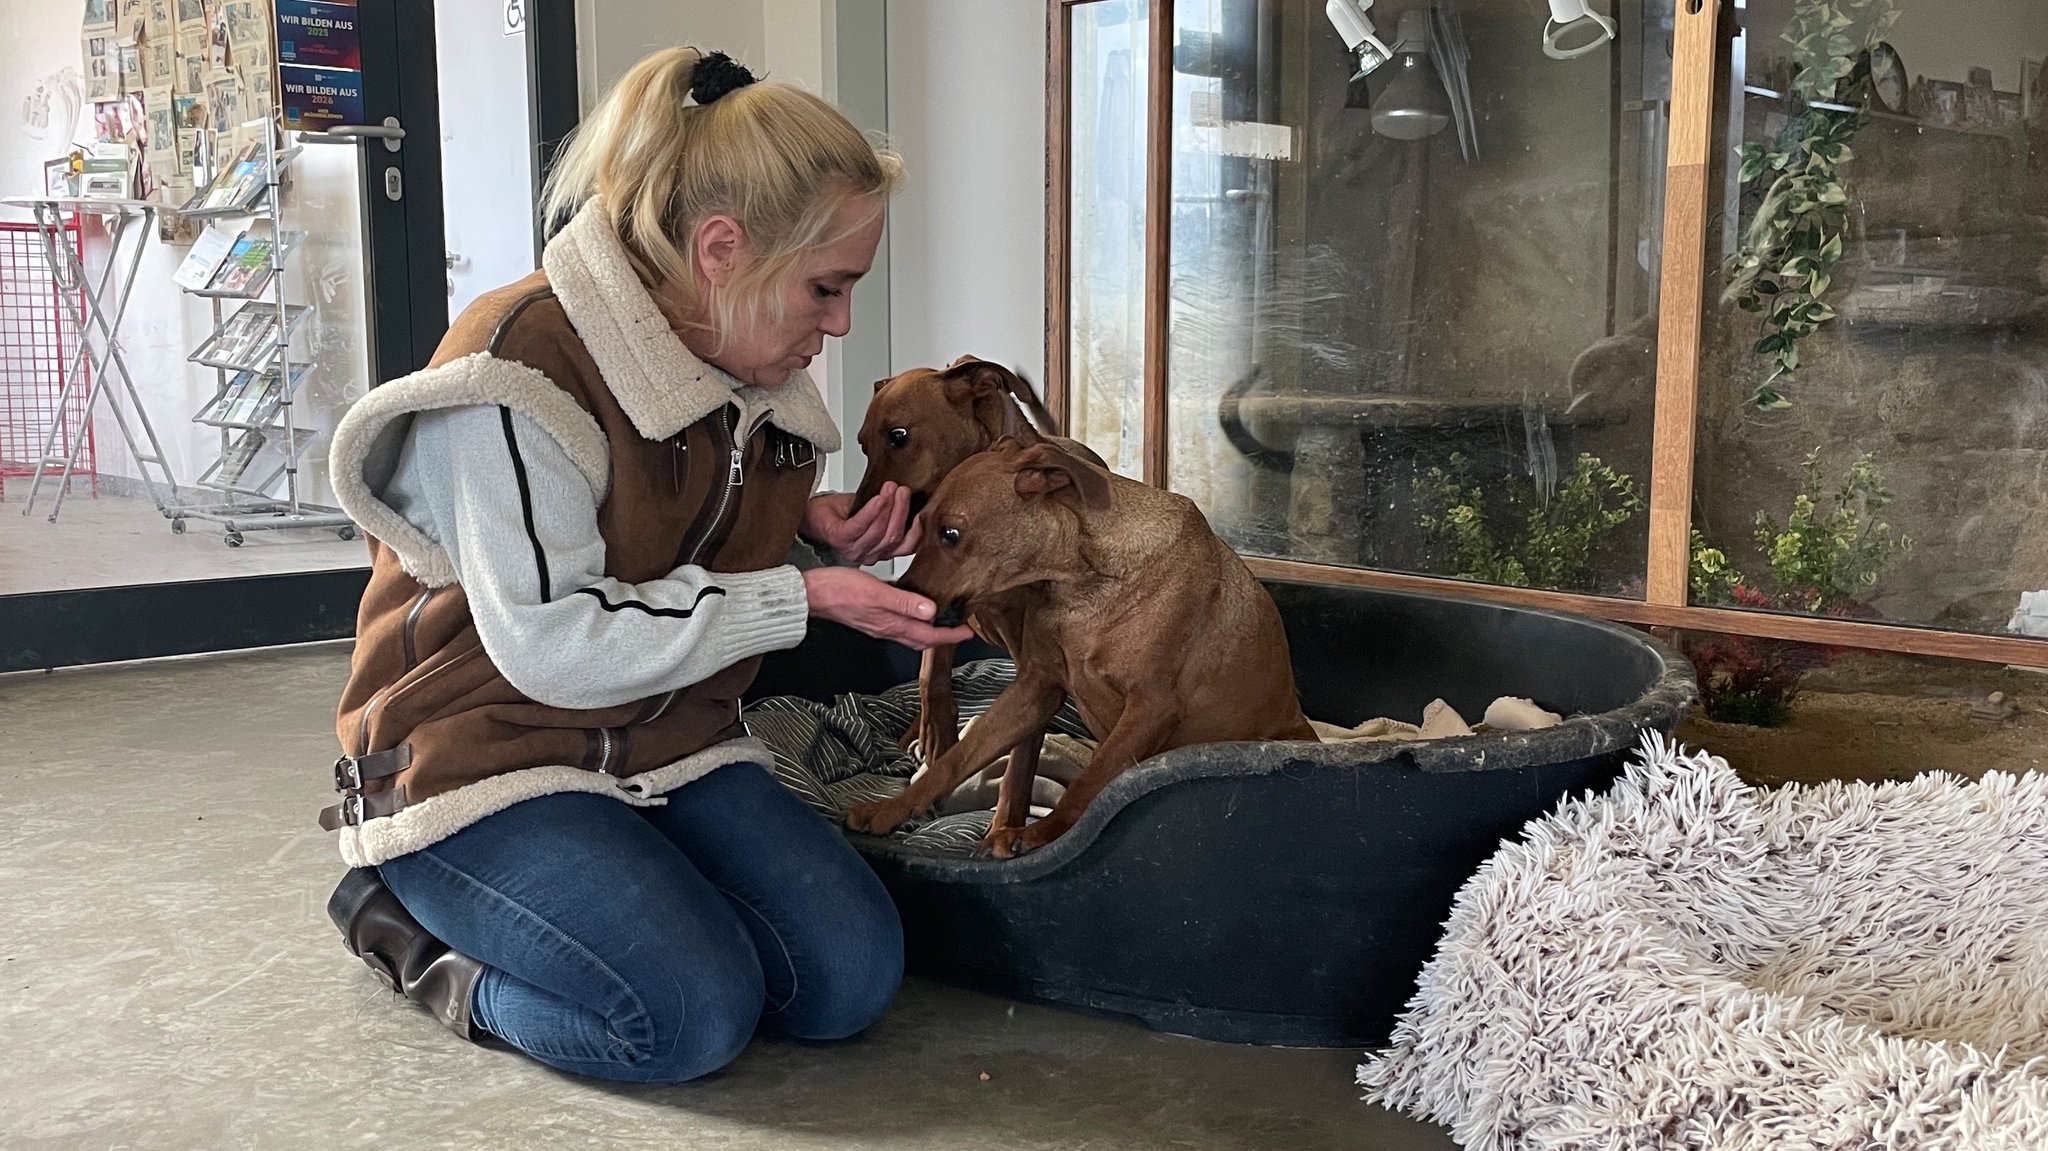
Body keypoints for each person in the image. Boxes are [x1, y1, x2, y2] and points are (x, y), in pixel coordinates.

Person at [318, 47, 973, 1084]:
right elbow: (554, 643)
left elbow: (661, 511)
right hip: (480, 759)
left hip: (671, 742)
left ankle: (618, 895)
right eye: (826, 287)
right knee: (680, 1020)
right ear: (721, 248)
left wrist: (804, 523)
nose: (838, 323)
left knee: (844, 982)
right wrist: (799, 593)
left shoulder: (738, 355)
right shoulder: (514, 372)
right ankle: (411, 933)